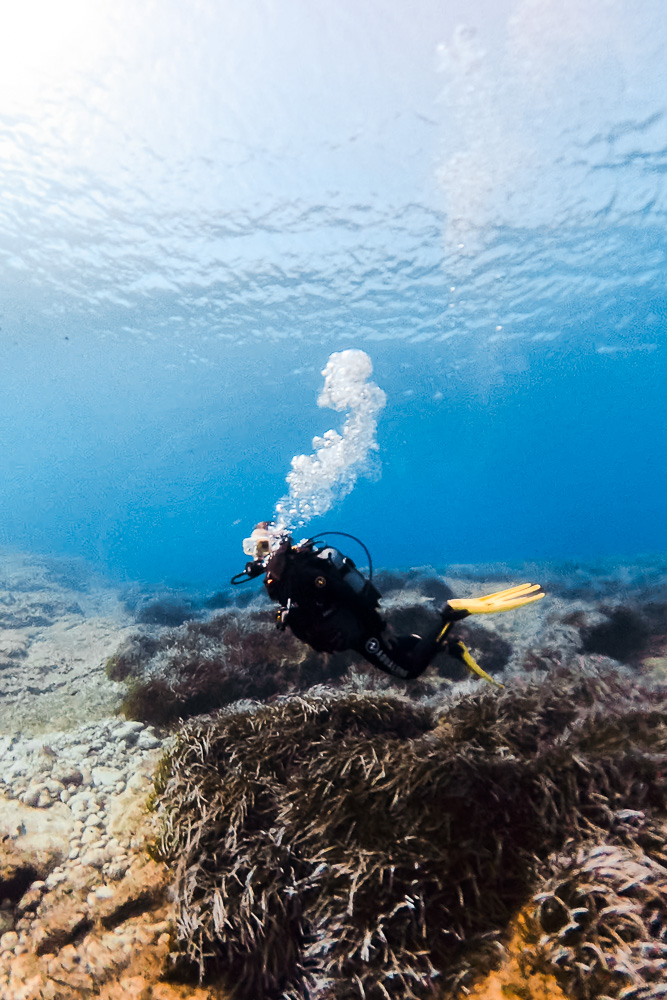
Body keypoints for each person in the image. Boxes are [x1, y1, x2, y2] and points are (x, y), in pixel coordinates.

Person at [231, 522, 545, 686]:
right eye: (252, 549)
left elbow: (350, 596)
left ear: (279, 544)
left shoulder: (303, 572)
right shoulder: (282, 577)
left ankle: (451, 613)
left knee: (407, 672)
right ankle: (448, 648)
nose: (257, 556)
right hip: (346, 634)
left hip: (357, 631)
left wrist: (377, 623)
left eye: (262, 547)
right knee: (400, 648)